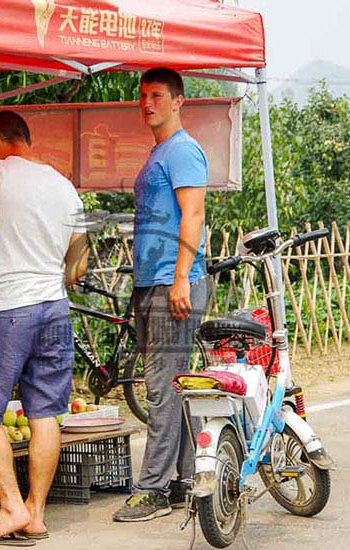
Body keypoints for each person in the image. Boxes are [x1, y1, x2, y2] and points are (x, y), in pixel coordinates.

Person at [0, 110, 88, 545]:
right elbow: (79, 262)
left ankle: (12, 505)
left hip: (7, 310)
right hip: (54, 309)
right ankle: (36, 513)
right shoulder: (64, 186)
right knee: (45, 412)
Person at [112, 68, 209, 522]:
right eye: (143, 96)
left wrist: (181, 278)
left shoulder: (184, 150)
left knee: (160, 386)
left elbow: (193, 215)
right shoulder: (161, 152)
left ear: (178, 101)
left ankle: (150, 489)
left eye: (156, 96)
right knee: (173, 386)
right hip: (153, 282)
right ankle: (184, 482)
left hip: (174, 281)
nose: (147, 103)